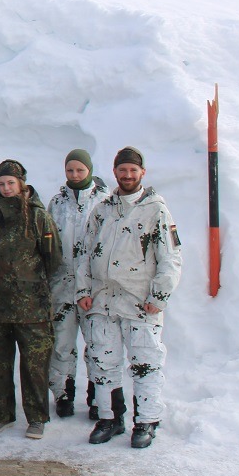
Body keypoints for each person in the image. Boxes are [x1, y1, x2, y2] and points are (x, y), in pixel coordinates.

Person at [77, 147, 181, 448]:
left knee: (145, 363)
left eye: (133, 170)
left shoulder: (156, 210)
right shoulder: (103, 210)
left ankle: (147, 421)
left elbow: (170, 257)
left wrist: (158, 297)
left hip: (139, 302)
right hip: (103, 302)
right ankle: (110, 418)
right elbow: (83, 253)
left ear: (142, 173)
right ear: (115, 172)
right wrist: (84, 291)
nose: (127, 175)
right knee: (103, 362)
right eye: (122, 170)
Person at [0, 160, 61, 440]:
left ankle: (37, 417)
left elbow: (53, 258)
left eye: (10, 183)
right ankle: (1, 414)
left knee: (34, 365)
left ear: (21, 183)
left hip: (32, 306)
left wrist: (30, 283)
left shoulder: (38, 217)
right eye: (1, 184)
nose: (5, 189)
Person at [46, 149, 108, 419]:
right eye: (70, 170)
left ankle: (97, 395)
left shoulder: (105, 201)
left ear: (89, 170)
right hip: (62, 284)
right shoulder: (57, 202)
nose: (74, 175)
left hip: (94, 287)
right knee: (62, 342)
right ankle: (63, 392)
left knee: (97, 343)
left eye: (80, 170)